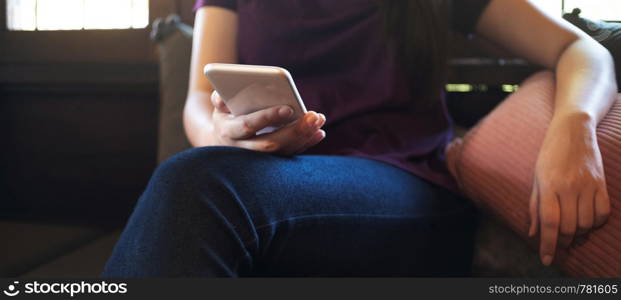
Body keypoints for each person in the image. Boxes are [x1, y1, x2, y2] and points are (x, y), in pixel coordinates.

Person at [102, 0, 617, 277]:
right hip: (266, 181)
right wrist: (223, 136)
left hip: (406, 187)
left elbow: (583, 51)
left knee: (197, 189)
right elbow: (198, 100)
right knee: (200, 185)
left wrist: (572, 128)